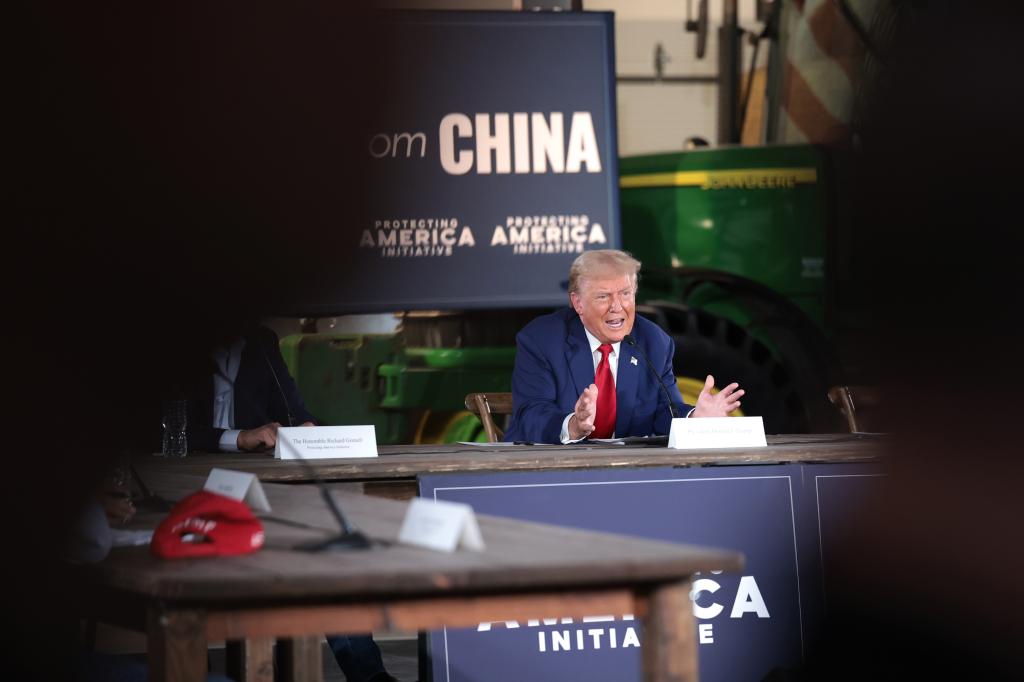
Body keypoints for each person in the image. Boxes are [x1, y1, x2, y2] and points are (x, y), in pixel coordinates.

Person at [504, 249, 743, 444]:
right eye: (603, 296)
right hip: (546, 473)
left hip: (622, 473)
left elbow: (664, 411)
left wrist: (693, 419)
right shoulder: (542, 339)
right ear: (578, 303)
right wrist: (573, 425)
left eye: (625, 294)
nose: (617, 307)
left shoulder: (653, 341)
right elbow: (531, 415)